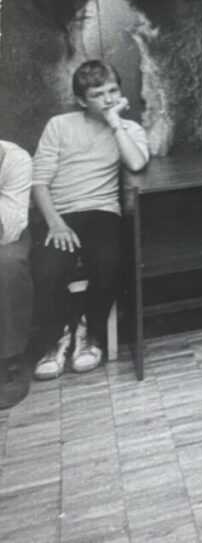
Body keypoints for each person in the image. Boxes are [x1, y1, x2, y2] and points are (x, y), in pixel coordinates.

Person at [31, 60, 150, 379]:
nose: (108, 99)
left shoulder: (129, 130)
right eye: (98, 94)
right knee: (46, 269)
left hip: (102, 211)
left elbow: (136, 163)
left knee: (110, 262)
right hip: (60, 214)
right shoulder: (59, 125)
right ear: (82, 101)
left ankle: (89, 332)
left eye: (113, 91)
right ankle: (57, 339)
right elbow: (38, 182)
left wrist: (115, 122)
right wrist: (55, 223)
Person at [0, 139, 33, 407]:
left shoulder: (14, 159)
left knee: (7, 266)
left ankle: (7, 362)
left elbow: (11, 230)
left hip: (5, 237)